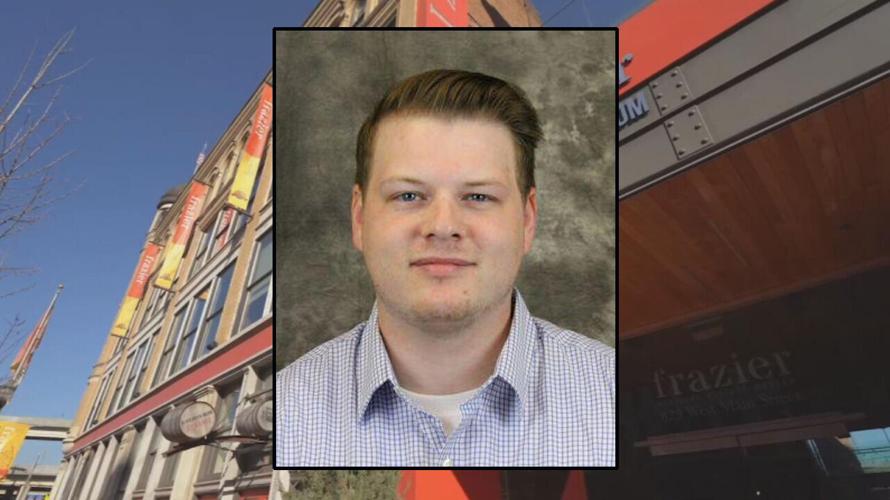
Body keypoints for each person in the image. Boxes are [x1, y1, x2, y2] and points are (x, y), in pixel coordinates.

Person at [276, 69, 614, 466]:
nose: (443, 227)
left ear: (527, 220)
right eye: (408, 194)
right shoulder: (286, 409)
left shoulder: (616, 391)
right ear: (359, 218)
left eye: (477, 196)